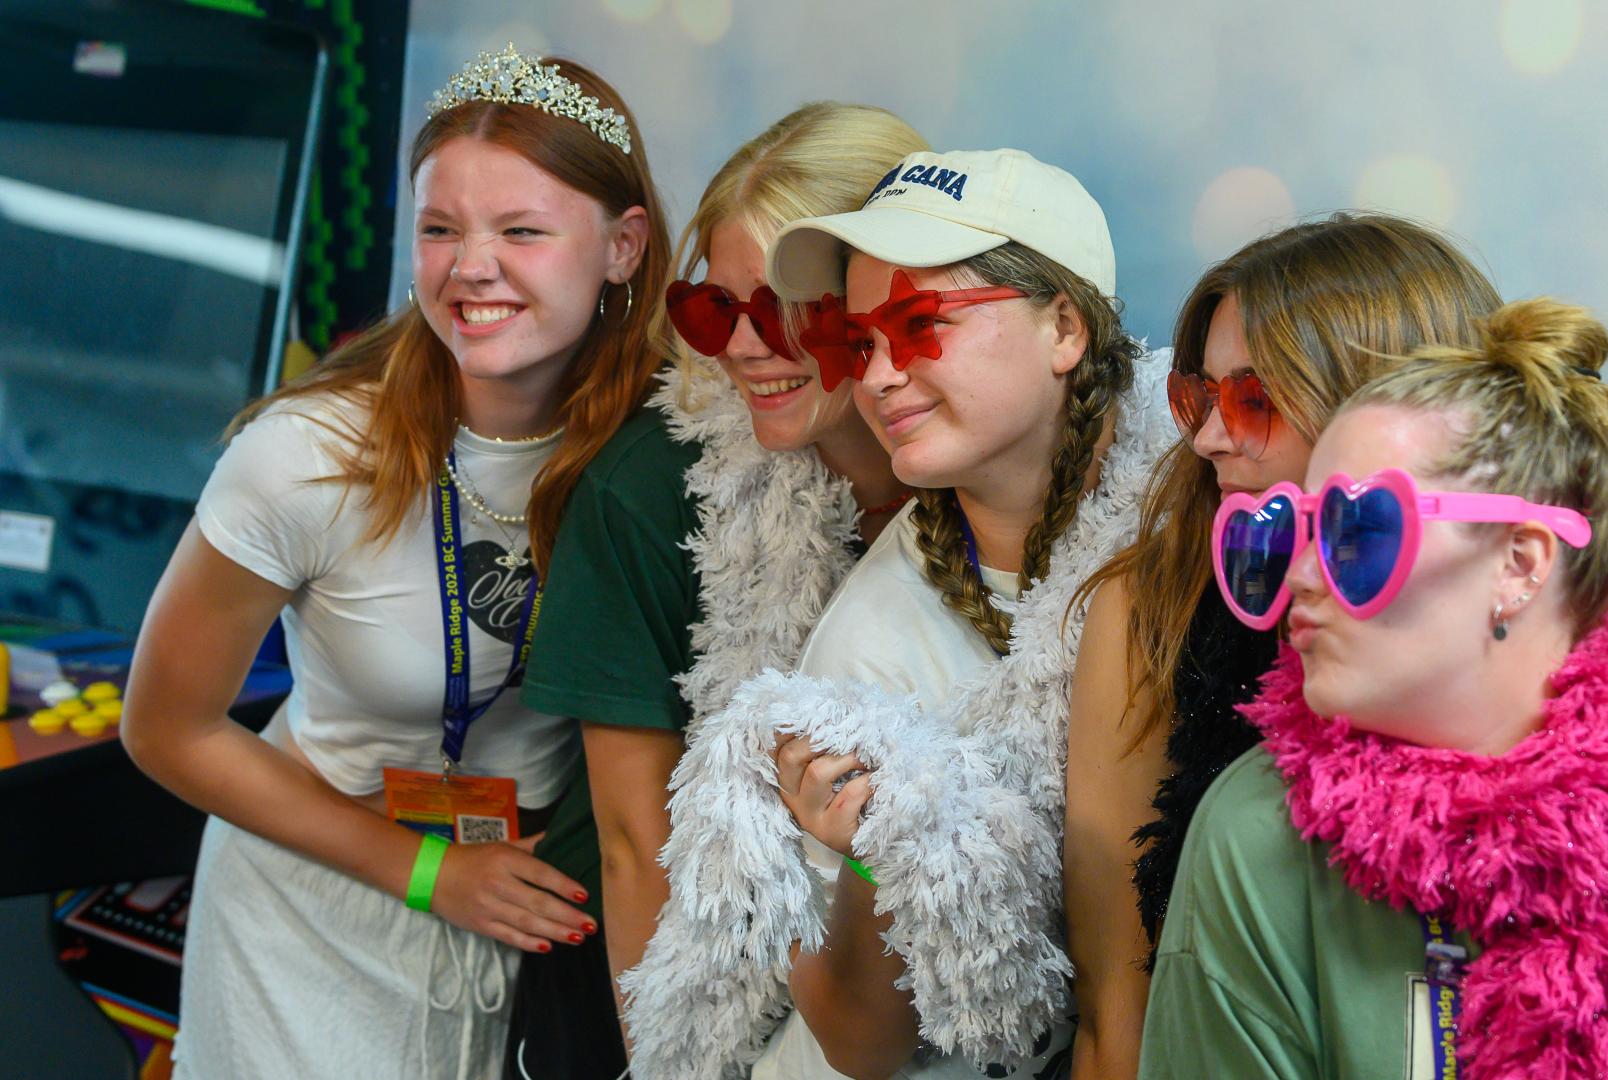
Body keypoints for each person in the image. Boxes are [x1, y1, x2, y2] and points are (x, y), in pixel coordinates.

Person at [1138, 298, 1608, 1078]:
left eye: (1356, 532)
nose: (1303, 575)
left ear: (1520, 563)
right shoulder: (1254, 830)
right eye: (1295, 529)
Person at [121, 44, 670, 1078]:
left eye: (521, 230)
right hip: (309, 921)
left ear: (623, 246)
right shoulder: (306, 454)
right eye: (439, 229)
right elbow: (164, 728)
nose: (471, 266)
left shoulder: (670, 446)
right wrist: (428, 874)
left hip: (531, 921)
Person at [625, 148, 1177, 1078]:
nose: (878, 376)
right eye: (858, 341)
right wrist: (879, 851)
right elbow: (859, 1044)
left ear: (1065, 327)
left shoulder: (1201, 510)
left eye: (919, 325)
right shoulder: (867, 646)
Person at [503, 101, 926, 1078]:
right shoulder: (648, 490)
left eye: (783, 310)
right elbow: (632, 841)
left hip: (886, 972)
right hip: (642, 971)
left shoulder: (983, 472)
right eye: (714, 309)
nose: (741, 345)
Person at [1061, 214, 1501, 1077]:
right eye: (1199, 399)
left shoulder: (1525, 619)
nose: (1208, 437)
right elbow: (1118, 1011)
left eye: (1253, 400)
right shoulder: (1153, 607)